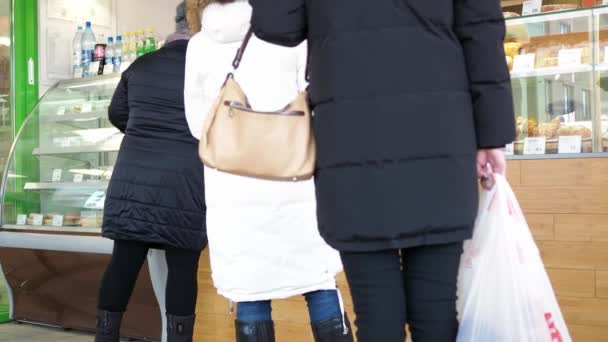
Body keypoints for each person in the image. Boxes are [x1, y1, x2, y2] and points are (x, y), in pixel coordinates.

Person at [249, 0, 516, 341]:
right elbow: (481, 32)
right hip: (440, 139)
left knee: (377, 318)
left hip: (354, 148)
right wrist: (491, 137)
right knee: (436, 314)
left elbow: (277, 25)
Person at [184, 1, 352, 341]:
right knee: (318, 282)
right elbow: (316, 95)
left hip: (232, 185)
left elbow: (196, 123)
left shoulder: (200, 44)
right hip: (293, 177)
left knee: (250, 292)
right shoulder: (290, 30)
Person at [95, 2, 207, 342]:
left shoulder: (141, 65)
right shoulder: (207, 70)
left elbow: (117, 114)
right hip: (184, 183)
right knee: (183, 268)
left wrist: (146, 134)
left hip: (133, 183)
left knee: (123, 264)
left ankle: (105, 336)